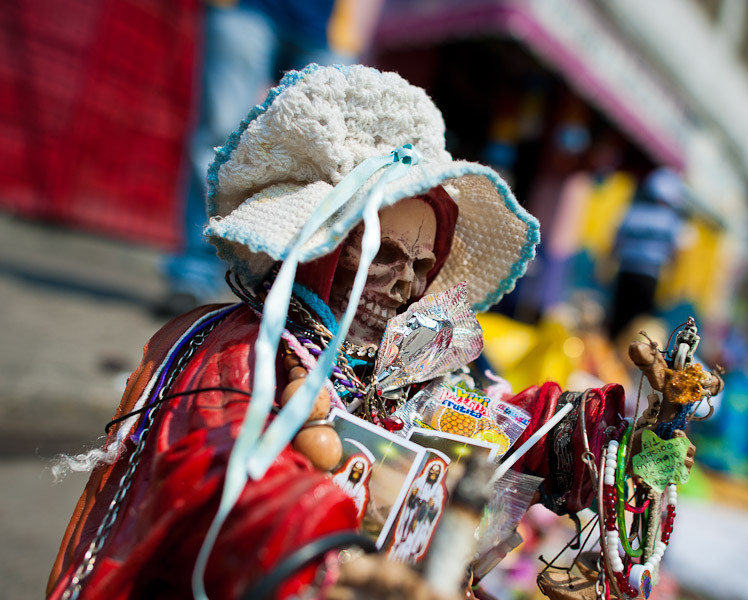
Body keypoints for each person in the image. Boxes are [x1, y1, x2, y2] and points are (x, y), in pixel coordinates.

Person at [46, 65, 692, 600]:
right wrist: (337, 560)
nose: (402, 285)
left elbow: (488, 434)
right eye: (380, 254)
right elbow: (212, 478)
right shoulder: (240, 349)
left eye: (420, 265)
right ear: (325, 251)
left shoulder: (410, 366)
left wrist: (617, 431)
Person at [159, 0, 342, 315]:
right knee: (219, 135)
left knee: (323, 154)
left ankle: (294, 288)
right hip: (245, 8)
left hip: (329, 24)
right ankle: (195, 273)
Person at [608, 167, 686, 340]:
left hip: (625, 271)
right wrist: (673, 282)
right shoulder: (670, 220)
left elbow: (616, 241)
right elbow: (676, 253)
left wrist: (607, 265)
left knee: (618, 315)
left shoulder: (632, 212)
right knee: (639, 322)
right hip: (649, 275)